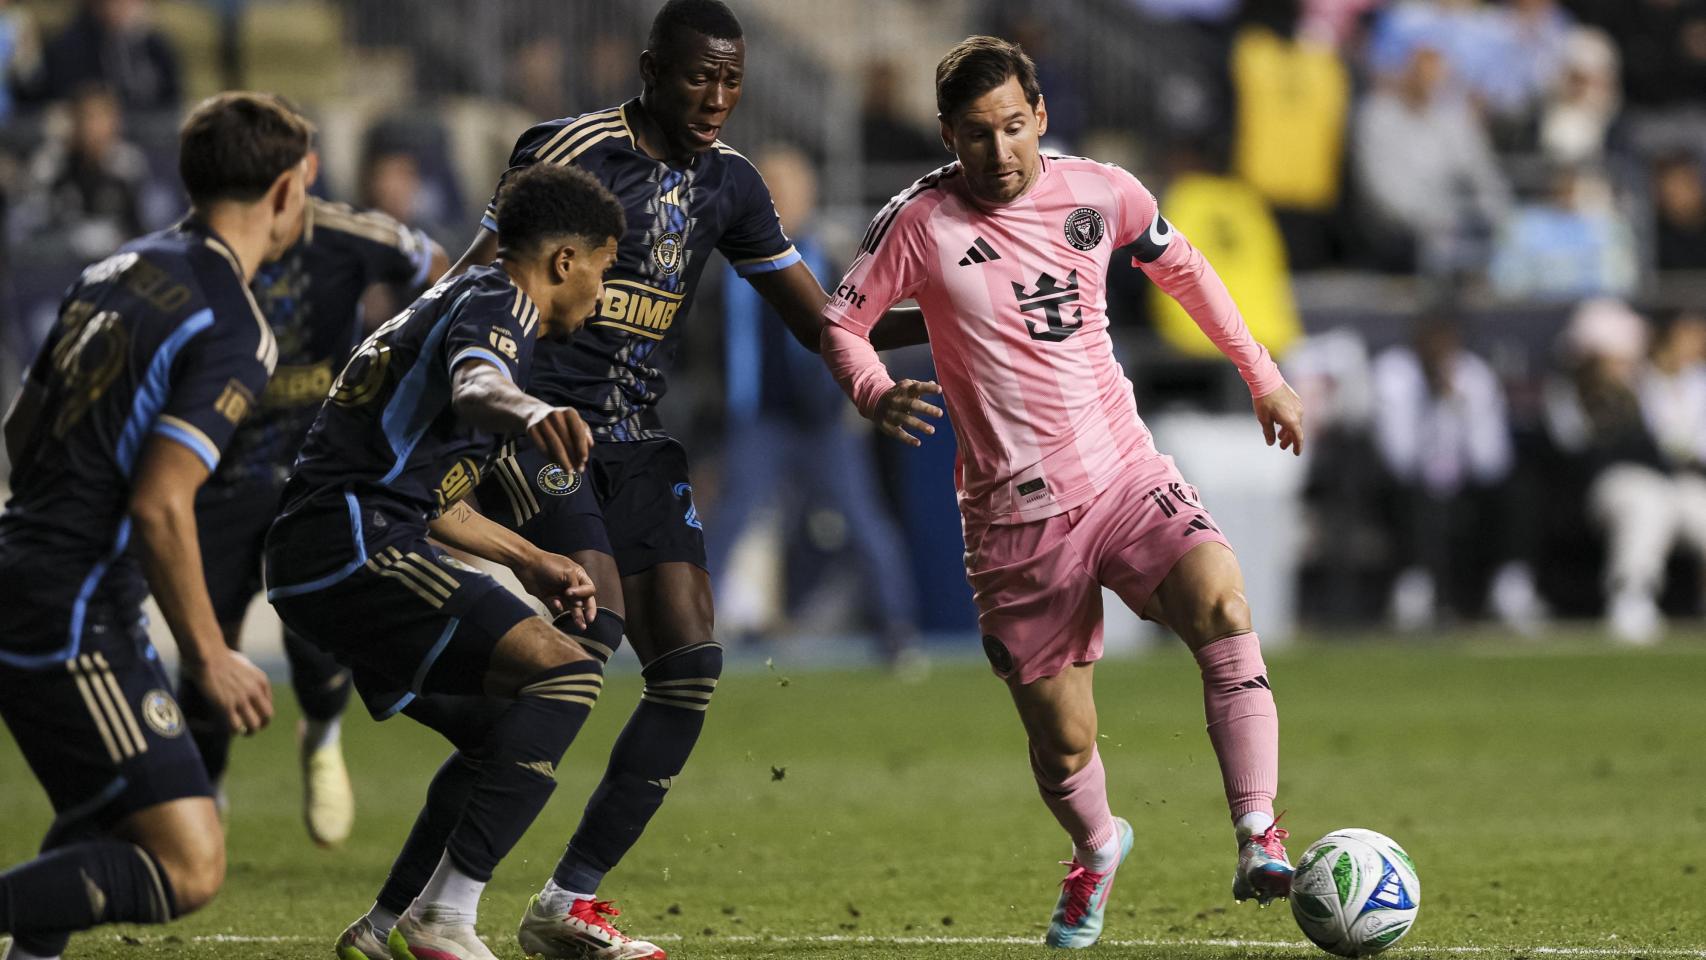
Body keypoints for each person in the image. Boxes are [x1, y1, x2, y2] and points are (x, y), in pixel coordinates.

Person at [430, 3, 927, 956]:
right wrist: (442, 400)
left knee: (690, 666)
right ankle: (443, 906)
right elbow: (472, 285)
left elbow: (820, 318)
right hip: (537, 426)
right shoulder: (571, 150)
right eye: (700, 77)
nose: (716, 98)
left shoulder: (732, 184)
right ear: (651, 68)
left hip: (635, 439)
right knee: (588, 637)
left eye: (732, 81)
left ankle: (565, 902)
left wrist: (948, 316)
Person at [819, 36, 1305, 948]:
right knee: (1064, 741)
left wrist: (1262, 376)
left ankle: (1258, 834)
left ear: (1039, 115)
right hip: (1012, 517)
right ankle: (1096, 849)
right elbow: (841, 324)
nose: (999, 151)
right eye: (976, 134)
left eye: (1013, 126)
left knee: (1222, 604)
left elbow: (1186, 269)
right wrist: (875, 392)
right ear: (948, 136)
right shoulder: (918, 222)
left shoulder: (1101, 193)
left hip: (1123, 473)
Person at [264, 161, 623, 960]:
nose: (601, 293)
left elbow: (428, 494)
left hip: (327, 547)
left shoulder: (453, 298)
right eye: (603, 270)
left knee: (500, 732)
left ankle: (384, 927)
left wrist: (528, 557)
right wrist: (527, 408)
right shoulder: (501, 302)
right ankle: (445, 918)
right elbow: (477, 385)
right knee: (567, 675)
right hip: (355, 542)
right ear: (565, 260)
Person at [0, 90, 305, 954]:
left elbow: (20, 431)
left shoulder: (115, 268)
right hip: (73, 609)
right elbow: (160, 502)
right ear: (286, 191)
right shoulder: (234, 324)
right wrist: (209, 656)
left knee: (115, 810)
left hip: (29, 567)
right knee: (188, 863)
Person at [183, 162, 449, 845]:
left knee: (318, 635)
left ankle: (323, 735)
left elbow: (441, 270)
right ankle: (205, 793)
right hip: (218, 471)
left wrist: (407, 360)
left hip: (314, 469)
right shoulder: (196, 249)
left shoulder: (351, 237)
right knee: (207, 645)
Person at [707, 143, 921, 664]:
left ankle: (898, 630)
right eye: (771, 189)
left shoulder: (834, 256)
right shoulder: (727, 263)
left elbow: (868, 328)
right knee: (727, 521)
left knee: (864, 521)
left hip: (825, 422)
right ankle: (689, 632)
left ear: (810, 194)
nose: (780, 200)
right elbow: (706, 344)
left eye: (789, 188)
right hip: (758, 419)